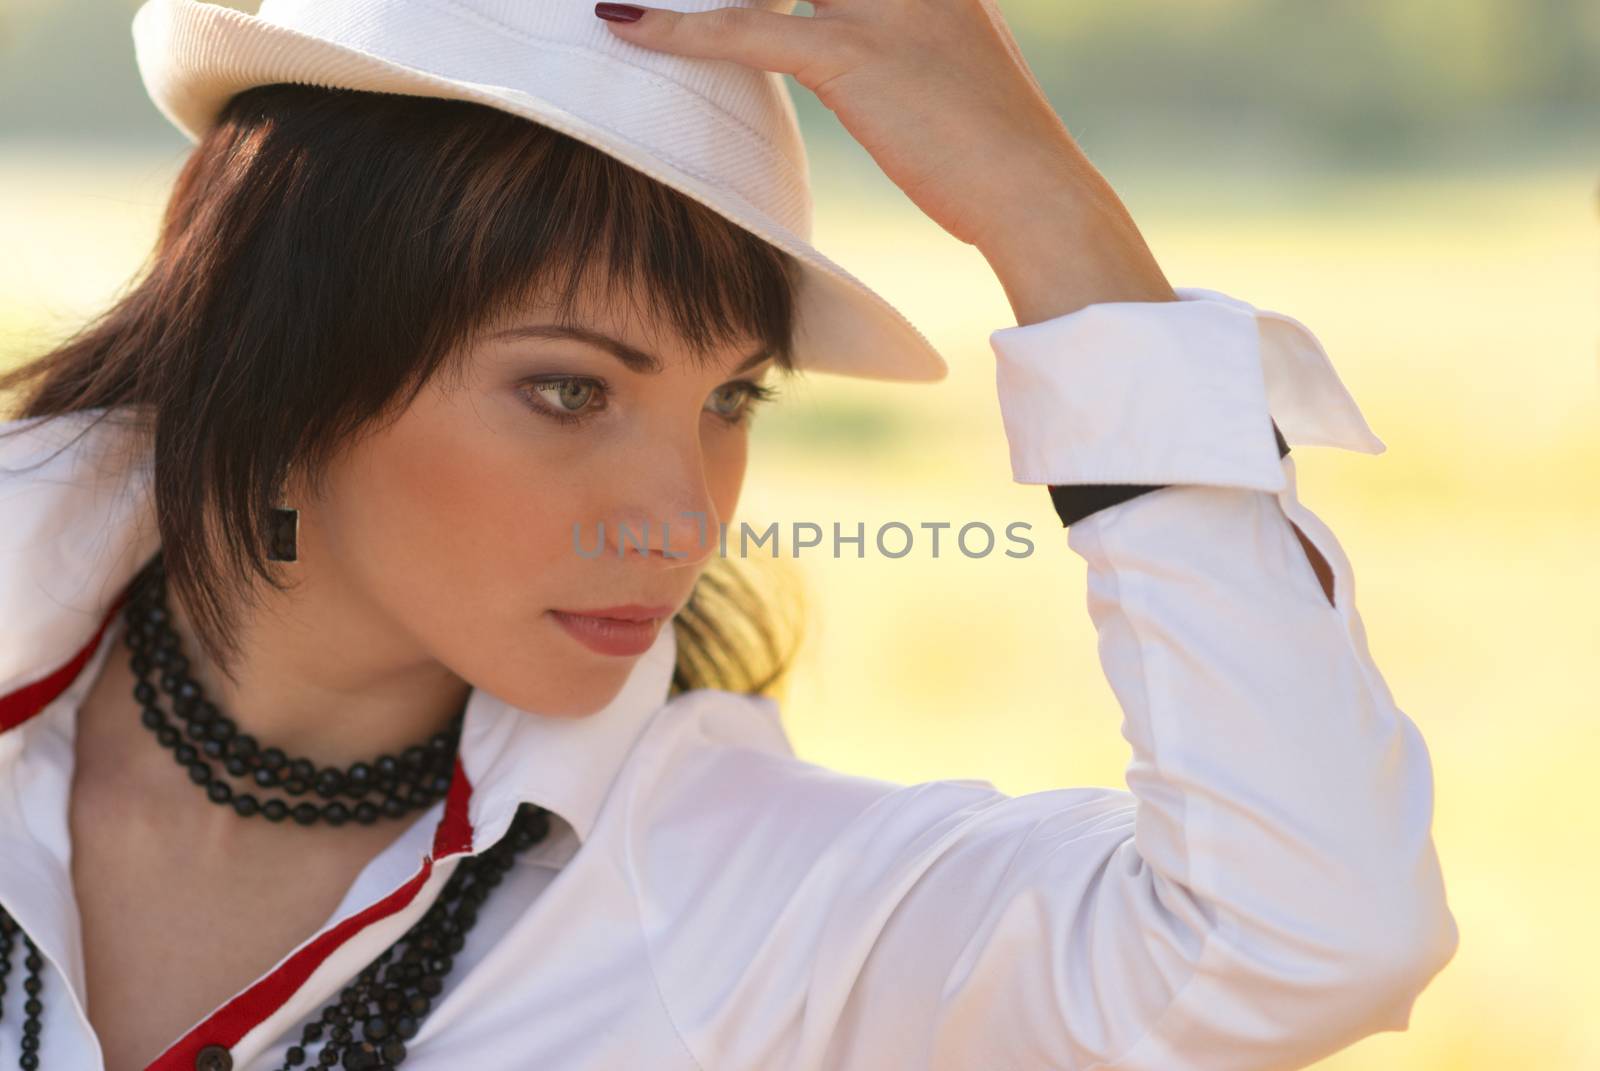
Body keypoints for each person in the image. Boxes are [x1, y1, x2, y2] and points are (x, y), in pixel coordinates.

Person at [0, 0, 1457, 1068]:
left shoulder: (756, 904)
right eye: (568, 391)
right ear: (285, 353)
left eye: (731, 397)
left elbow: (1304, 939)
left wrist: (1047, 210)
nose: (688, 515)